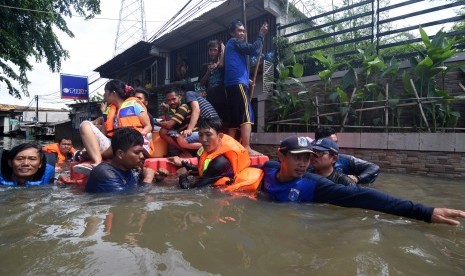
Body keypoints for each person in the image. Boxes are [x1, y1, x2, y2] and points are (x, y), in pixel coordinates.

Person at [261, 136, 465, 226]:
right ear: (281, 156)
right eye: (298, 157)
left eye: (307, 158)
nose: (303, 163)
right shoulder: (268, 168)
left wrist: (425, 212)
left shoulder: (313, 185)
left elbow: (362, 196)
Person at [76, 79, 154, 174]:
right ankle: (91, 156)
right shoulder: (109, 111)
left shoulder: (134, 105)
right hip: (115, 144)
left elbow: (148, 126)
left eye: (106, 92)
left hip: (131, 143)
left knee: (88, 151)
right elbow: (104, 133)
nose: (104, 95)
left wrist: (137, 137)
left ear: (113, 93)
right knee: (85, 125)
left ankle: (95, 160)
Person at [168, 117, 262, 190]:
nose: (203, 140)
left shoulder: (220, 162)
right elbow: (204, 169)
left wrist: (182, 176)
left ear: (219, 136)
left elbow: (191, 190)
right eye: (200, 135)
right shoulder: (206, 151)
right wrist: (184, 163)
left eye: (208, 135)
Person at [224, 19, 268, 156]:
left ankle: (229, 147)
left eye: (243, 31)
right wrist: (261, 35)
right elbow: (253, 49)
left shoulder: (233, 46)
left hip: (233, 83)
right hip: (237, 83)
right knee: (246, 114)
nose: (242, 33)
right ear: (232, 33)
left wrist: (247, 79)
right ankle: (247, 147)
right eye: (239, 30)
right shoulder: (234, 42)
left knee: (234, 118)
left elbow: (236, 64)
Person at [85, 127, 167, 193]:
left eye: (142, 152)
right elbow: (125, 201)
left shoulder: (131, 169)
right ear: (120, 154)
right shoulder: (104, 172)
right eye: (137, 152)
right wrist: (148, 178)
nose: (142, 156)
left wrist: (157, 179)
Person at [314, 127, 380, 184]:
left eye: (336, 142)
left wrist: (358, 178)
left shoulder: (345, 160)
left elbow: (374, 167)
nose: (335, 146)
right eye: (331, 143)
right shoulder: (308, 163)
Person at [155, 88, 198, 157]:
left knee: (163, 131)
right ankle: (185, 152)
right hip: (186, 135)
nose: (171, 102)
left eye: (173, 99)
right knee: (166, 132)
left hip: (192, 135)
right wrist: (165, 112)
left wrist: (153, 121)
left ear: (179, 97)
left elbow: (169, 125)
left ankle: (187, 153)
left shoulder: (183, 107)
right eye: (168, 100)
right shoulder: (177, 110)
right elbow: (171, 126)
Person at [199, 39, 228, 125]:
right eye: (210, 50)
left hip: (224, 100)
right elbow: (201, 84)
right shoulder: (205, 66)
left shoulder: (224, 65)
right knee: (212, 125)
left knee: (225, 124)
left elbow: (223, 66)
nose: (212, 52)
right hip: (211, 101)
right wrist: (208, 72)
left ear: (219, 51)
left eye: (215, 50)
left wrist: (223, 50)